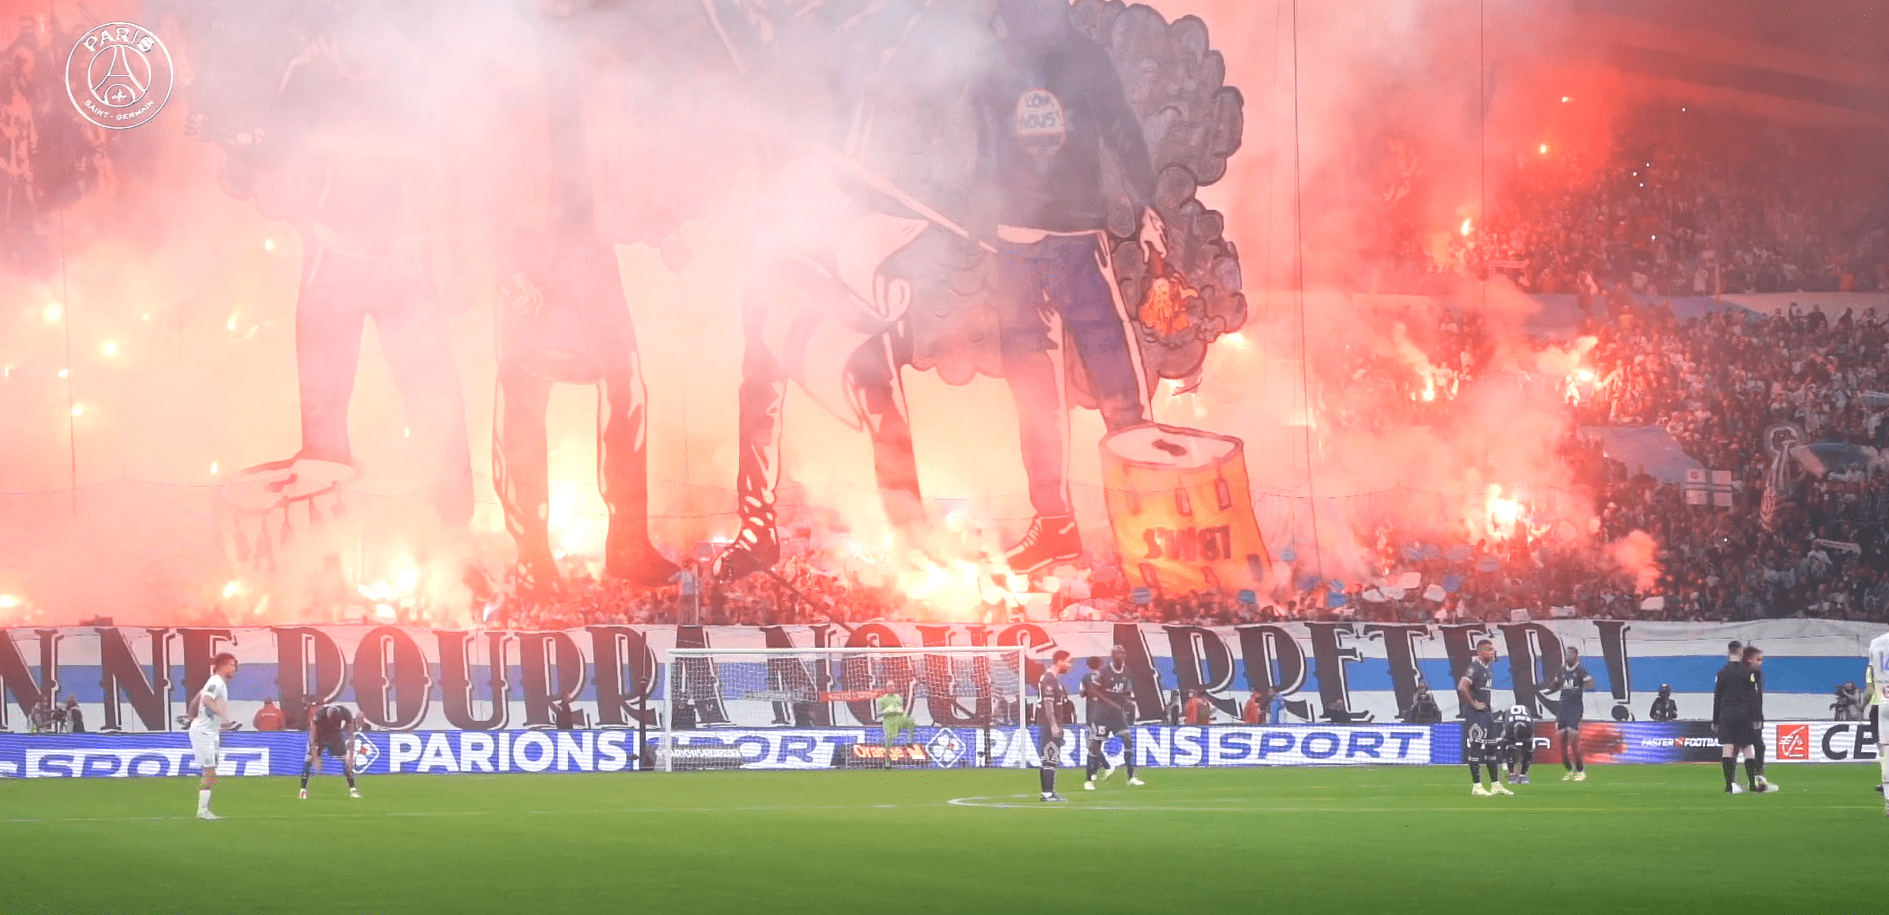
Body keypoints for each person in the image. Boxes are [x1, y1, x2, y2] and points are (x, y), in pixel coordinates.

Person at [972, 0, 1168, 573]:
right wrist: (981, 221)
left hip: (1078, 240)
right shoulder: (992, 65)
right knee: (1035, 396)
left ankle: (1148, 523)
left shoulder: (1086, 58)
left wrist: (1147, 201)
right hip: (1017, 248)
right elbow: (984, 155)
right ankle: (1055, 524)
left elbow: (1122, 128)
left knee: (1118, 382)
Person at [1080, 647, 1142, 790]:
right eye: (1118, 654)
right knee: (1095, 747)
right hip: (1102, 713)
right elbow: (1093, 690)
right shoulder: (1104, 672)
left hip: (1117, 715)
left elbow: (1126, 689)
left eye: (1123, 653)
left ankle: (1131, 777)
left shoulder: (1127, 672)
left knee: (1128, 740)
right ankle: (1088, 780)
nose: (1122, 656)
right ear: (1113, 656)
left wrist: (1127, 699)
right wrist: (1109, 702)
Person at [1713, 645, 1768, 794]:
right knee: (1748, 748)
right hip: (1744, 714)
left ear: (1728, 652)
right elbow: (1753, 697)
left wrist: (1715, 720)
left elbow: (1717, 697)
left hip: (1726, 714)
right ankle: (1752, 784)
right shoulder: (1748, 672)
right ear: (1741, 653)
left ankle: (1729, 785)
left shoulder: (1721, 673)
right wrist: (1756, 717)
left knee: (1728, 748)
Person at [190, 653, 239, 820]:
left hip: (211, 733)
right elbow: (206, 699)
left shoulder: (219, 684)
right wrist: (224, 717)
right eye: (231, 665)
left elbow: (199, 697)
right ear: (221, 666)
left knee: (212, 773)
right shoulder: (216, 681)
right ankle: (202, 811)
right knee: (209, 772)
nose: (234, 669)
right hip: (204, 733)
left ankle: (203, 809)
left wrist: (191, 714)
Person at [1459, 640, 1511, 796]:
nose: (1492, 653)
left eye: (1493, 650)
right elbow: (1462, 686)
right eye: (1489, 650)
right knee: (1475, 747)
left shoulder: (1487, 669)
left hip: (1486, 713)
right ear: (1480, 651)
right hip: (1475, 714)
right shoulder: (1474, 668)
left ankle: (1495, 785)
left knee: (1491, 747)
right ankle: (1477, 786)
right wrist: (1474, 704)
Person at [1542, 646, 1596, 782]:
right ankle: (1568, 769)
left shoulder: (1581, 671)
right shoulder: (1561, 671)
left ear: (1576, 655)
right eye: (1566, 653)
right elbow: (1555, 685)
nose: (1567, 656)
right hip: (1563, 709)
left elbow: (1591, 684)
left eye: (1570, 653)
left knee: (1573, 738)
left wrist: (1589, 682)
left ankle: (1580, 770)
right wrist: (1550, 685)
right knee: (1562, 741)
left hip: (1575, 708)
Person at [300, 703, 361, 800]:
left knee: (346, 761)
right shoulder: (319, 715)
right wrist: (316, 757)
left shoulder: (346, 713)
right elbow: (312, 737)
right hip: (320, 734)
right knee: (309, 759)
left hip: (334, 735)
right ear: (328, 716)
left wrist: (350, 757)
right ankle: (303, 790)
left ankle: (353, 790)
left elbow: (352, 736)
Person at [1036, 650, 1073, 802]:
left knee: (1051, 757)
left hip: (1051, 723)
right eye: (1068, 661)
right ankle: (1047, 794)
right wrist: (1053, 725)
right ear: (1059, 661)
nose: (1069, 665)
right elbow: (1048, 704)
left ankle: (1049, 792)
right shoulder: (1049, 680)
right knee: (1050, 757)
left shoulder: (1052, 680)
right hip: (1048, 724)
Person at [1867, 629, 1889, 815]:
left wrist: (1864, 701)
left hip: (1883, 700)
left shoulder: (1877, 643)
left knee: (1885, 752)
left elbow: (1870, 678)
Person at [877, 678, 917, 766]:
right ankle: (887, 761)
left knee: (910, 721)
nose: (892, 688)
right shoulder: (882, 699)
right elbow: (878, 714)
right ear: (886, 688)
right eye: (889, 686)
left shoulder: (899, 698)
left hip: (898, 719)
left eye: (893, 686)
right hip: (888, 720)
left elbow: (901, 709)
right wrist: (887, 711)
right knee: (888, 739)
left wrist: (901, 713)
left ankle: (910, 741)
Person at [1499, 705, 1535, 786]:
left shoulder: (1530, 727)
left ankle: (1523, 775)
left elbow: (1530, 751)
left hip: (1523, 719)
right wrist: (1504, 763)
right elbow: (1503, 747)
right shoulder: (1508, 727)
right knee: (1510, 749)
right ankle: (1512, 774)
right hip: (1510, 719)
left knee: (1528, 751)